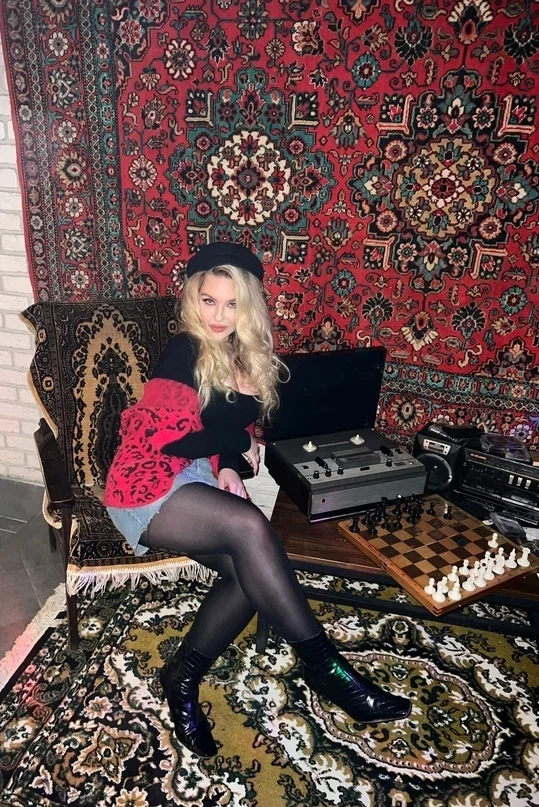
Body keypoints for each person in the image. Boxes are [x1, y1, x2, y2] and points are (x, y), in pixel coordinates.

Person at [104, 241, 411, 758]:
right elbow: (164, 440)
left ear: (247, 306)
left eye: (231, 304)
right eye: (208, 301)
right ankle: (329, 671)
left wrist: (227, 463)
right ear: (192, 297)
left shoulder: (241, 351)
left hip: (193, 475)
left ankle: (181, 677)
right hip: (146, 481)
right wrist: (234, 443)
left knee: (252, 577)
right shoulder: (184, 350)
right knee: (250, 527)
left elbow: (222, 427)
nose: (218, 315)